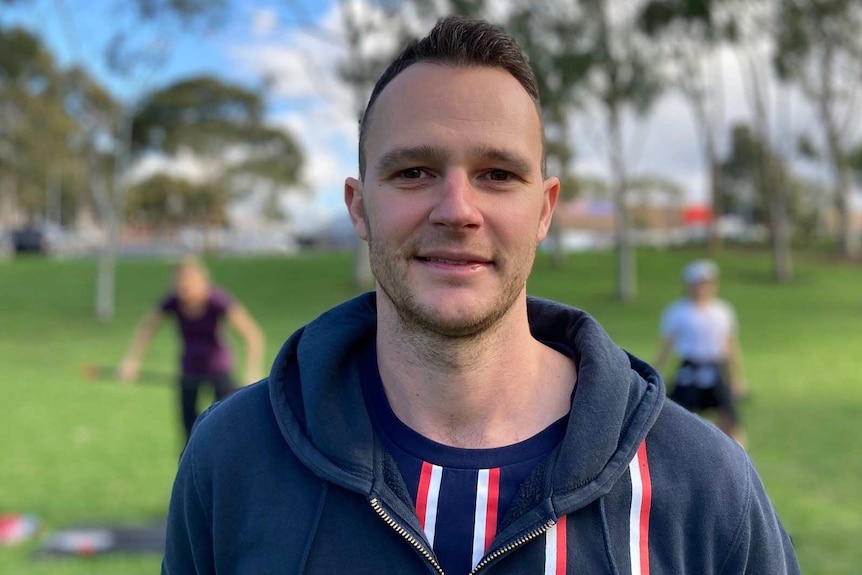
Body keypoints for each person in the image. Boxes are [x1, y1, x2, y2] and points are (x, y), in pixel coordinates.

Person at [162, 17, 798, 575]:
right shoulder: (233, 458)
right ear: (359, 208)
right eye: (414, 172)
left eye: (497, 175)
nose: (457, 210)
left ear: (544, 210)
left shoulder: (707, 485)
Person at [118, 256, 265, 444]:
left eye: (189, 279)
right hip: (189, 371)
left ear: (202, 279)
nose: (184, 286)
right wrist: (132, 361)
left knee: (227, 431)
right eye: (180, 281)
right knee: (189, 433)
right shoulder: (172, 302)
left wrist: (252, 371)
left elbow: (252, 334)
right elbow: (147, 329)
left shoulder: (217, 301)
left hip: (219, 372)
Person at [654, 260, 747, 446]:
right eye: (697, 283)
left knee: (730, 416)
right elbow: (667, 345)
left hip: (715, 367)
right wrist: (656, 372)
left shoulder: (722, 311)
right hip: (690, 369)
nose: (701, 288)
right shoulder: (678, 311)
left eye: (705, 283)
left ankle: (737, 456)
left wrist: (736, 377)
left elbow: (730, 345)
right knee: (676, 414)